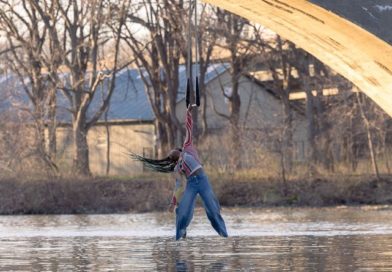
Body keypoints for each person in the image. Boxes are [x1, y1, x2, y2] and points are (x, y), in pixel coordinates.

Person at [131, 105, 228, 240]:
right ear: (173, 160)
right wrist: (173, 203)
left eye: (172, 151)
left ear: (179, 150)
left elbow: (188, 129)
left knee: (212, 210)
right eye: (170, 155)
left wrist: (188, 113)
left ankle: (224, 234)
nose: (171, 152)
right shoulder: (178, 169)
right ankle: (181, 233)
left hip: (202, 180)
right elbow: (179, 186)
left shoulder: (187, 148)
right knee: (183, 211)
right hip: (191, 185)